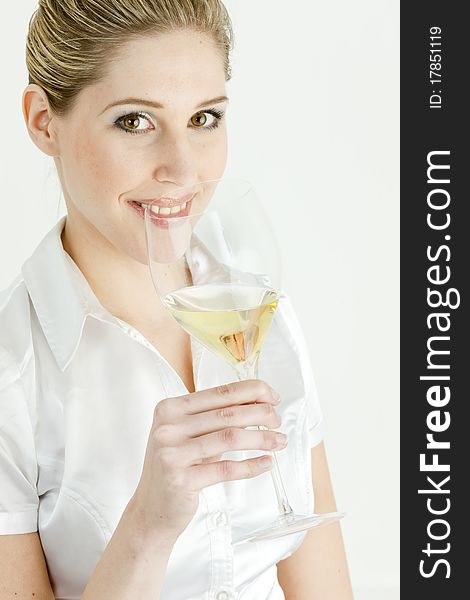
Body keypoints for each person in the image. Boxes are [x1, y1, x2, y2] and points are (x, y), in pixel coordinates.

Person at [0, 0, 353, 598]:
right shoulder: (15, 376)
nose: (183, 169)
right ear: (43, 122)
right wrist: (147, 529)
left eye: (204, 119)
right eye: (134, 121)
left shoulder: (263, 316)